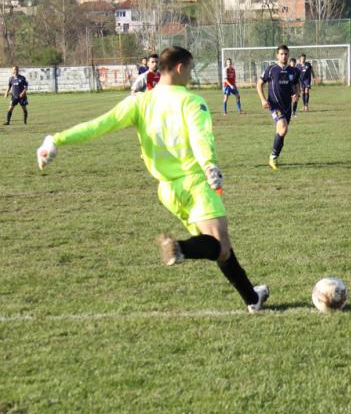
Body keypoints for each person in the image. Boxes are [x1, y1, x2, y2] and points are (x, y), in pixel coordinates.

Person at [35, 46, 269, 314]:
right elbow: (200, 137)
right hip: (195, 183)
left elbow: (99, 125)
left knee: (216, 244)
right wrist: (208, 164)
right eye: (190, 69)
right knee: (218, 245)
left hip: (168, 191)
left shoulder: (139, 102)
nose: (191, 76)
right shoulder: (191, 101)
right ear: (180, 68)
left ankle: (252, 297)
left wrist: (57, 139)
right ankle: (178, 249)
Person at [256, 45, 300, 170]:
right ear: (277, 55)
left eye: (286, 54)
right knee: (283, 128)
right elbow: (259, 84)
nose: (284, 56)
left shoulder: (293, 71)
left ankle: (274, 157)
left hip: (287, 106)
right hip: (274, 105)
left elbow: (296, 84)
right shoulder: (271, 69)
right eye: (281, 54)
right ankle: (273, 157)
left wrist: (297, 94)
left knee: (281, 132)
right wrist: (263, 99)